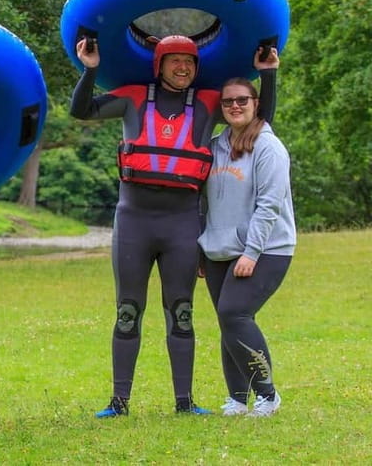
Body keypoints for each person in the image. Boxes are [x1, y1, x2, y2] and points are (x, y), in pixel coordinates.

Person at [70, 35, 280, 416]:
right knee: (128, 310)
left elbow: (258, 113)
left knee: (181, 311)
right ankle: (119, 402)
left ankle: (184, 403)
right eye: (174, 61)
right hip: (134, 220)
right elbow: (81, 110)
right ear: (159, 65)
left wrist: (268, 74)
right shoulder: (134, 97)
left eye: (189, 62)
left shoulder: (207, 102)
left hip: (182, 224)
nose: (182, 68)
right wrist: (91, 68)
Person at [198, 77, 295, 417]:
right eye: (227, 102)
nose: (235, 106)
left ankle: (267, 396)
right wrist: (202, 247)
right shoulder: (213, 147)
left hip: (267, 248)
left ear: (256, 103)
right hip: (218, 248)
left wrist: (252, 252)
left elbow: (269, 205)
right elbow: (202, 201)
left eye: (242, 100)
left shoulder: (269, 148)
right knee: (229, 321)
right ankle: (237, 398)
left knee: (233, 313)